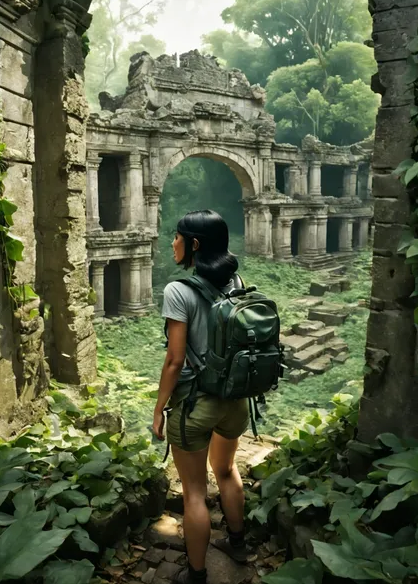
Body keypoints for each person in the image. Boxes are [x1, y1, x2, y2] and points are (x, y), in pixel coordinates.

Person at [152, 210, 252, 584]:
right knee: (226, 470)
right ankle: (237, 544)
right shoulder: (236, 280)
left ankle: (196, 576)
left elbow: (175, 360)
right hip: (234, 400)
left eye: (177, 237)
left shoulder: (178, 291)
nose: (172, 243)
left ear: (194, 244)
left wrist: (160, 408)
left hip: (196, 404)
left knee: (194, 492)